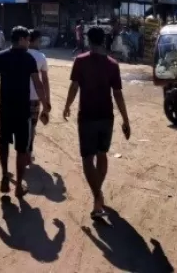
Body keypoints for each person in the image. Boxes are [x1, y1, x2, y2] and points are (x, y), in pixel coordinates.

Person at [63, 26, 131, 219]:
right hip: (106, 117)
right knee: (102, 154)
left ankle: (97, 196)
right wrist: (126, 119)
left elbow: (74, 86)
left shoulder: (80, 61)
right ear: (104, 40)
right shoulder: (112, 64)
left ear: (88, 40)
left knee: (87, 159)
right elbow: (117, 94)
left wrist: (67, 105)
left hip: (87, 116)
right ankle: (98, 197)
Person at [0, 26, 52, 197]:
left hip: (5, 109)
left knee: (3, 143)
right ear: (21, 39)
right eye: (27, 39)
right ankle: (19, 187)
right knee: (22, 149)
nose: (29, 42)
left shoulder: (0, 56)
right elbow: (38, 83)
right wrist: (45, 105)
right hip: (23, 111)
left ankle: (4, 175)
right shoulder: (28, 58)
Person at [27, 29, 50, 163]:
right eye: (40, 40)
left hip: (18, 97)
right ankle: (29, 152)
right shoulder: (41, 57)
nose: (40, 42)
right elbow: (45, 81)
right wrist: (47, 101)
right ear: (34, 40)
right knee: (32, 126)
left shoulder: (20, 54)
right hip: (35, 98)